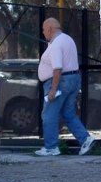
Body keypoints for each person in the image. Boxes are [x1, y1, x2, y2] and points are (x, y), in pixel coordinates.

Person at [35, 18, 95, 156]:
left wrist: (53, 89)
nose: (43, 33)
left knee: (49, 114)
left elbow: (57, 68)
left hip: (59, 81)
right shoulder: (67, 39)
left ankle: (51, 148)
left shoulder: (56, 44)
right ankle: (86, 139)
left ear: (50, 28)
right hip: (73, 79)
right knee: (68, 113)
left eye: (44, 30)